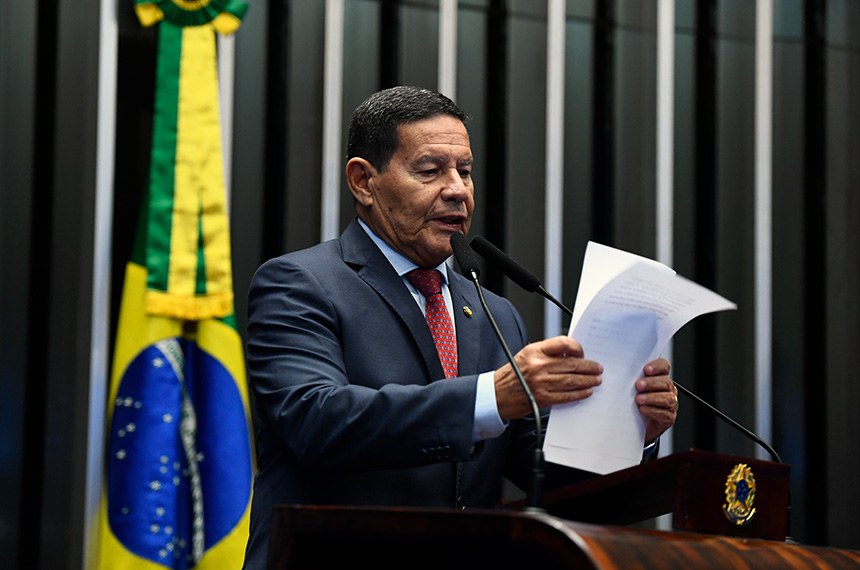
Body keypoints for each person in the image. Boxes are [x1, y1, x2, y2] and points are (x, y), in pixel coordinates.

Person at [242, 85, 678, 568]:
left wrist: (631, 431)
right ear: (364, 181)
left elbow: (540, 474)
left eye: (465, 171)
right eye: (430, 170)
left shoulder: (494, 311)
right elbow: (315, 420)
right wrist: (492, 395)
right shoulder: (300, 283)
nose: (457, 189)